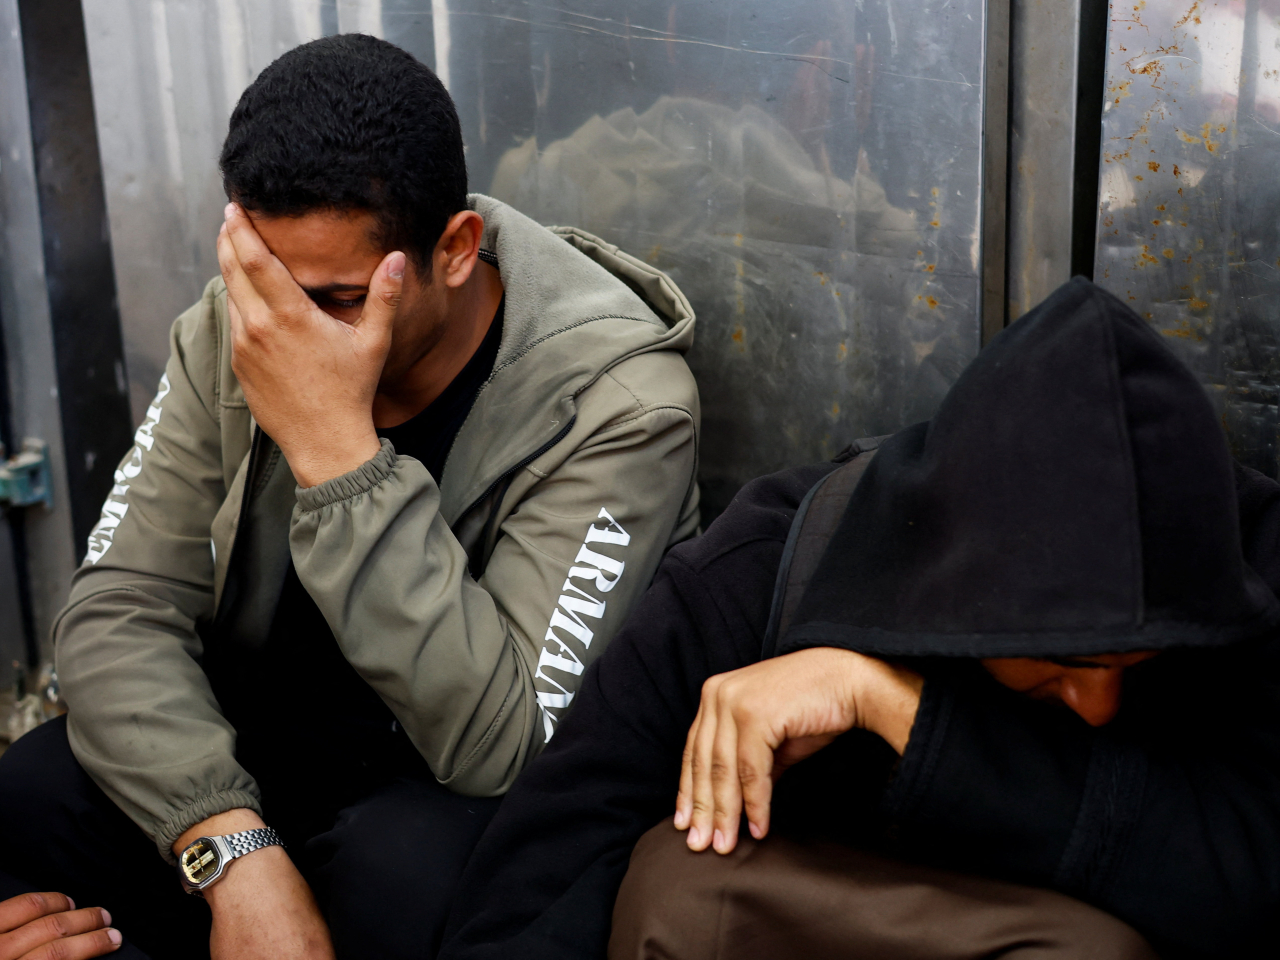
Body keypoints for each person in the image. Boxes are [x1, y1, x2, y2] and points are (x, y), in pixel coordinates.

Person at [0, 33, 701, 960]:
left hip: (441, 795)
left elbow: (507, 743)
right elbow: (115, 611)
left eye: (335, 301)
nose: (287, 331)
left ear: (454, 251)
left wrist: (338, 452)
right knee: (39, 788)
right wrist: (233, 852)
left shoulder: (620, 407)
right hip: (272, 771)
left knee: (405, 870)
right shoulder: (241, 319)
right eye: (265, 285)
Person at [439, 278, 1280, 960]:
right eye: (1059, 664)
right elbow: (542, 874)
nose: (1097, 706)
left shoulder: (1247, 584)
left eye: (1136, 663)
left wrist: (893, 704)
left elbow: (1241, 879)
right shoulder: (771, 570)